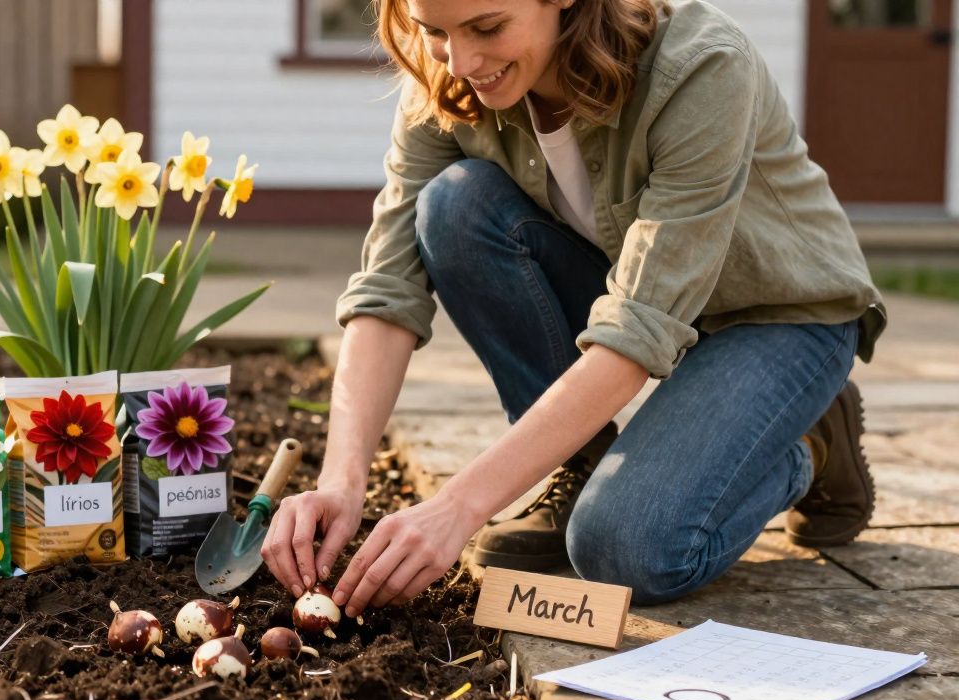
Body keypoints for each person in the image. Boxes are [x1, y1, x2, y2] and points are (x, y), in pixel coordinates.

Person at [260, 0, 885, 616]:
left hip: (777, 316)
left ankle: (808, 442)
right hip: (637, 300)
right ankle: (579, 464)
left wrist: (459, 505)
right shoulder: (448, 78)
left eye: (488, 27)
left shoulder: (702, 67)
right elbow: (388, 284)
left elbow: (635, 329)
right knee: (454, 206)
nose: (461, 62)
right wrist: (341, 480)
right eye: (434, 32)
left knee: (626, 551)